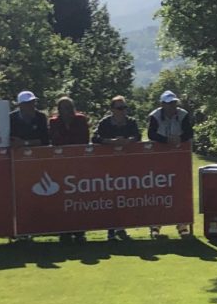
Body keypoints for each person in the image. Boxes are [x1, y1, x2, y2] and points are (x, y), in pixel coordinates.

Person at [93, 95, 141, 241]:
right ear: (112, 109)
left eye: (125, 107)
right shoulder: (105, 123)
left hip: (127, 165)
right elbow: (95, 138)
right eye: (120, 108)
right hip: (109, 166)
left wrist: (128, 141)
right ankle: (111, 230)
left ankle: (122, 228)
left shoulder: (131, 122)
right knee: (111, 198)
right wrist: (110, 142)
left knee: (125, 197)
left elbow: (137, 136)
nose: (123, 110)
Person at [147, 90, 193, 238]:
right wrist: (166, 141)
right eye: (168, 103)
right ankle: (155, 225)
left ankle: (182, 225)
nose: (172, 106)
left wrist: (179, 139)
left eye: (173, 103)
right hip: (159, 159)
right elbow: (151, 134)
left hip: (179, 159)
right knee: (159, 192)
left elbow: (189, 133)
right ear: (162, 104)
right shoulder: (154, 116)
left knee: (180, 191)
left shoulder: (183, 114)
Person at [49, 96, 90, 243]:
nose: (65, 111)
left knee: (79, 198)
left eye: (68, 107)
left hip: (79, 164)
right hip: (60, 165)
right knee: (62, 199)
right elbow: (55, 141)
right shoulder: (54, 122)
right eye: (62, 108)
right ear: (58, 110)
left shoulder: (80, 120)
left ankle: (79, 231)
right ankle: (64, 231)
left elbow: (84, 140)